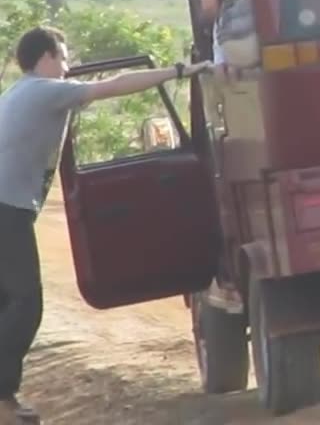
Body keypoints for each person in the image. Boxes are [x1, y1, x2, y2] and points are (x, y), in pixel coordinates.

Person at [0, 26, 212, 424]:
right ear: (45, 57)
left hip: (7, 207)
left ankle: (5, 402)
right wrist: (178, 72)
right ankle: (2, 399)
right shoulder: (45, 90)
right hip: (5, 210)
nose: (67, 66)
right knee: (26, 304)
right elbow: (115, 85)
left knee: (7, 305)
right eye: (62, 58)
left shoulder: (16, 93)